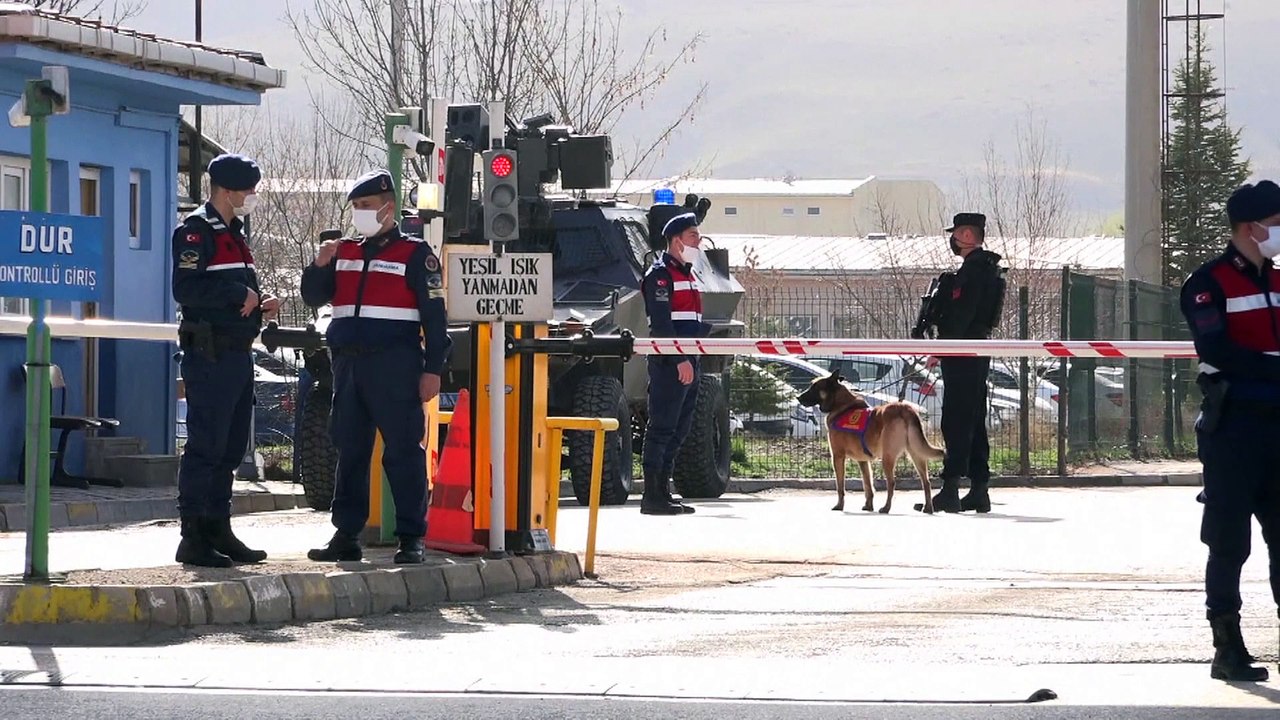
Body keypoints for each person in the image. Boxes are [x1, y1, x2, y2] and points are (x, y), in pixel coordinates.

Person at [301, 170, 450, 564]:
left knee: (402, 453)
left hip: (395, 367)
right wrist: (319, 264)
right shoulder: (343, 251)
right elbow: (313, 296)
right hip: (348, 366)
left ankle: (411, 538)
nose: (360, 214)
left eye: (366, 207)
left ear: (388, 206)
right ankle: (346, 534)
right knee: (349, 450)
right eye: (355, 208)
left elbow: (435, 318)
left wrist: (433, 369)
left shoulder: (416, 254)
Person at [1178, 180, 1280, 683]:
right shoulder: (1208, 282)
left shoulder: (1279, 281)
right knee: (1228, 541)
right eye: (1278, 223)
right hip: (1234, 428)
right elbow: (1217, 350)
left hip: (1279, 428)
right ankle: (1227, 646)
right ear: (1251, 226)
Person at [172, 153, 279, 567]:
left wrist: (257, 305)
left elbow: (232, 289)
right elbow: (186, 288)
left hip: (236, 353)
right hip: (209, 353)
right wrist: (239, 296)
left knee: (231, 447)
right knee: (206, 446)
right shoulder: (197, 232)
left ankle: (219, 527)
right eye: (248, 189)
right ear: (228, 190)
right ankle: (193, 536)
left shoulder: (233, 232)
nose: (252, 196)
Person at [914, 212, 1005, 514]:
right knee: (974, 418)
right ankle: (979, 488)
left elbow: (962, 315)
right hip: (976, 348)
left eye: (956, 234)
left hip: (962, 350)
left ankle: (950, 488)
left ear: (967, 235)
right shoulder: (987, 269)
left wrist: (942, 346)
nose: (953, 240)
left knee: (955, 418)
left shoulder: (973, 272)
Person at [639, 211, 711, 516]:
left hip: (688, 358)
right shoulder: (660, 275)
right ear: (676, 240)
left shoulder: (688, 274)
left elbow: (688, 321)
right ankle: (652, 495)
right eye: (693, 236)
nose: (698, 241)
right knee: (662, 427)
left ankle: (663, 491)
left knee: (679, 429)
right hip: (672, 362)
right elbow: (662, 325)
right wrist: (680, 358)